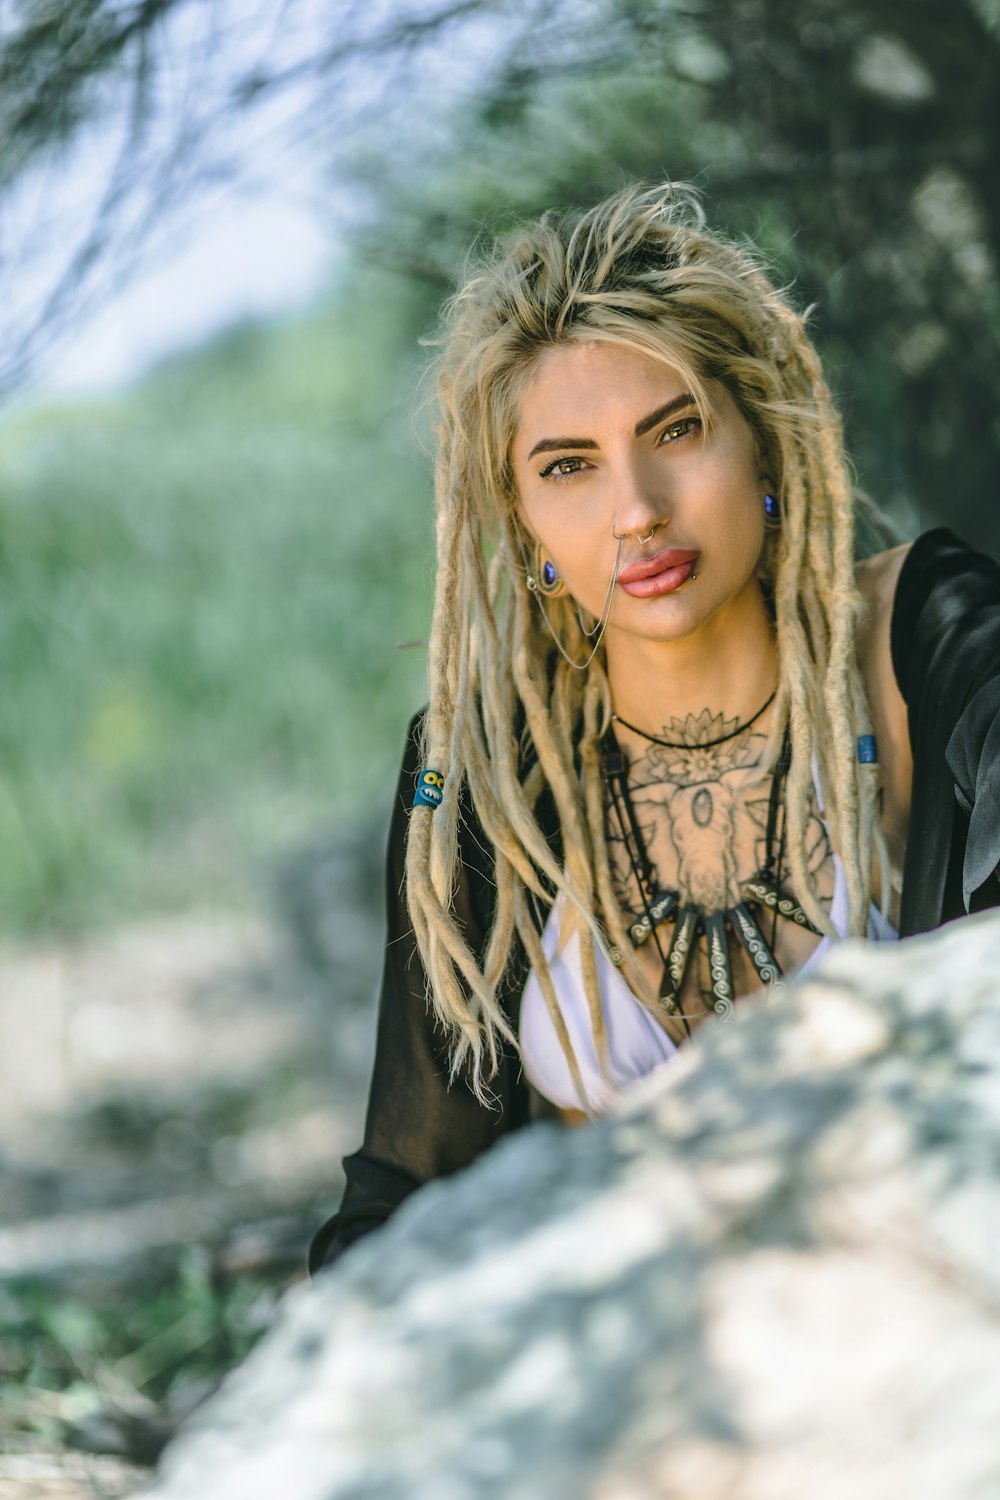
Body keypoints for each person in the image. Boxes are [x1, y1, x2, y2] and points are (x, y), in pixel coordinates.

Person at [309, 182, 1000, 1273]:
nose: (636, 508)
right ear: (522, 521)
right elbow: (406, 1186)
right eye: (567, 466)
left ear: (762, 444)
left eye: (675, 430)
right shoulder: (484, 771)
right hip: (637, 1372)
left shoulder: (926, 641)